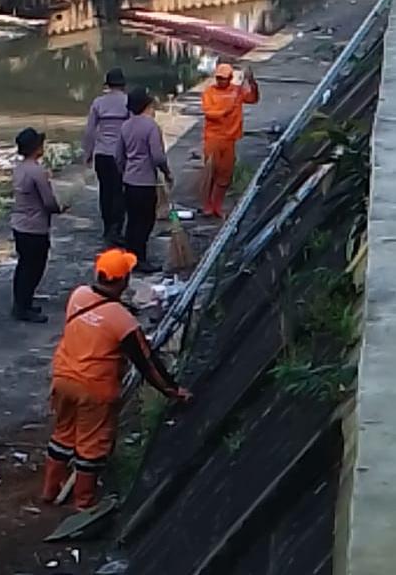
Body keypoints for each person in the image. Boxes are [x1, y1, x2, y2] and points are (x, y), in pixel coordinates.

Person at [42, 248, 192, 509]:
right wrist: (172, 390)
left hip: (63, 377)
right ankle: (84, 503)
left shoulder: (78, 295)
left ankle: (49, 490)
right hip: (94, 388)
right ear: (123, 280)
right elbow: (147, 364)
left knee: (63, 434)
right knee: (91, 446)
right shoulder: (123, 321)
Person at [10, 127, 67, 323]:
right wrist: (60, 208)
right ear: (35, 147)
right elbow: (48, 202)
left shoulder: (19, 169)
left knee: (24, 266)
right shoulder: (37, 171)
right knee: (34, 268)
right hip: (35, 226)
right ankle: (23, 307)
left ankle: (22, 302)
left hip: (20, 224)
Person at [115, 87, 173, 273]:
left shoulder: (125, 126)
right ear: (146, 106)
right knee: (145, 221)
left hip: (129, 181)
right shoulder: (151, 126)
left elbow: (119, 156)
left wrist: (125, 171)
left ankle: (130, 257)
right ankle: (140, 258)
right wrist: (167, 172)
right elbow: (158, 156)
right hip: (145, 181)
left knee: (132, 220)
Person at [201, 63, 259, 218]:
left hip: (230, 139)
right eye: (219, 78)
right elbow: (209, 112)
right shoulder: (209, 92)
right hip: (213, 138)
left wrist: (252, 83)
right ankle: (207, 205)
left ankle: (217, 205)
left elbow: (253, 99)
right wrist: (225, 111)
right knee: (210, 172)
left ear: (230, 78)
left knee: (225, 174)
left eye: (224, 78)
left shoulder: (237, 91)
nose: (221, 81)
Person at [82, 68, 130, 244]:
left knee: (105, 191)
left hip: (101, 153)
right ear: (123, 84)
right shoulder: (128, 102)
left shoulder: (98, 103)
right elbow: (132, 128)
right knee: (119, 192)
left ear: (108, 85)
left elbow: (90, 131)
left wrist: (88, 153)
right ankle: (116, 229)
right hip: (120, 155)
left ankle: (107, 226)